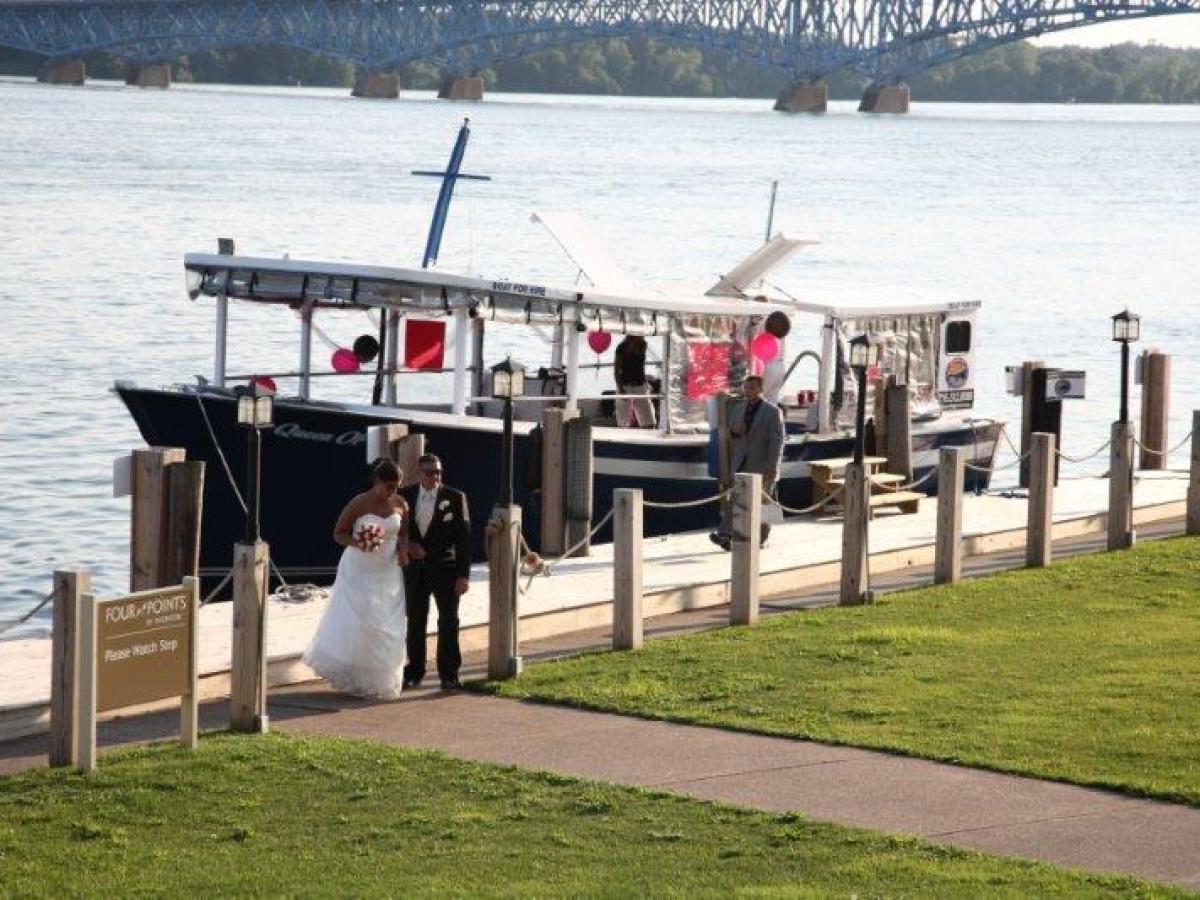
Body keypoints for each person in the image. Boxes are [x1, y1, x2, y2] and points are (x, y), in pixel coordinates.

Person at [304, 458, 410, 699]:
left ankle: (380, 680)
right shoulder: (359, 502)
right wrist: (358, 542)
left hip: (388, 570)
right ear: (377, 482)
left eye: (396, 487)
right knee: (361, 622)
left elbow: (403, 533)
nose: (392, 491)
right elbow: (338, 533)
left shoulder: (401, 503)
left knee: (386, 623)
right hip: (359, 567)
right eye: (389, 486)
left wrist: (403, 550)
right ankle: (355, 676)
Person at [402, 453, 472, 690]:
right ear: (419, 474)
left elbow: (464, 540)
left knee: (449, 622)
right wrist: (408, 546)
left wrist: (464, 575)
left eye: (439, 472)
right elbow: (399, 533)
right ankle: (414, 671)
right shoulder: (405, 496)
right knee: (415, 623)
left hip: (446, 570)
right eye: (430, 472)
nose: (435, 476)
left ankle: (449, 674)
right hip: (415, 572)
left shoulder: (455, 498)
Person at [711, 375, 785, 550]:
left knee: (763, 503)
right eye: (746, 387)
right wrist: (734, 430)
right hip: (741, 462)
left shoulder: (773, 412)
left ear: (760, 389)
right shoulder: (739, 408)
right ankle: (726, 534)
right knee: (734, 499)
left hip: (763, 464)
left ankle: (761, 538)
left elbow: (777, 441)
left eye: (752, 387)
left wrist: (773, 467)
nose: (748, 390)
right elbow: (732, 432)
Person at [613, 335, 657, 428]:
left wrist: (646, 384)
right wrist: (620, 389)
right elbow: (616, 371)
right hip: (625, 384)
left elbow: (641, 367)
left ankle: (647, 437)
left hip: (640, 383)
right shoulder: (622, 347)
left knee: (649, 420)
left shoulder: (643, 344)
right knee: (623, 420)